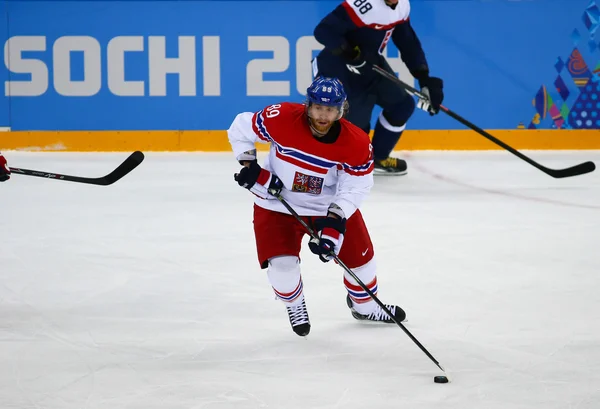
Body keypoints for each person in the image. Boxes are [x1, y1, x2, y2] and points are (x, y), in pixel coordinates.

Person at [227, 76, 406, 337]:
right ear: (308, 106)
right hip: (277, 202)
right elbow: (240, 129)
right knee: (282, 269)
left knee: (362, 264)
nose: (323, 115)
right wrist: (249, 166)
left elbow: (356, 186)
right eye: (319, 108)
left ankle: (365, 306)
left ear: (341, 109)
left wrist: (335, 219)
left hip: (326, 204)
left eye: (331, 109)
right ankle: (295, 304)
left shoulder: (356, 142)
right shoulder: (280, 117)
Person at [312, 0, 444, 175]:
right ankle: (337, 166)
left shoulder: (402, 5)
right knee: (356, 129)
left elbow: (407, 42)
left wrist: (423, 77)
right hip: (340, 68)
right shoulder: (362, 5)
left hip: (371, 64)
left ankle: (377, 157)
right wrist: (351, 53)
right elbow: (323, 31)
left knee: (402, 106)